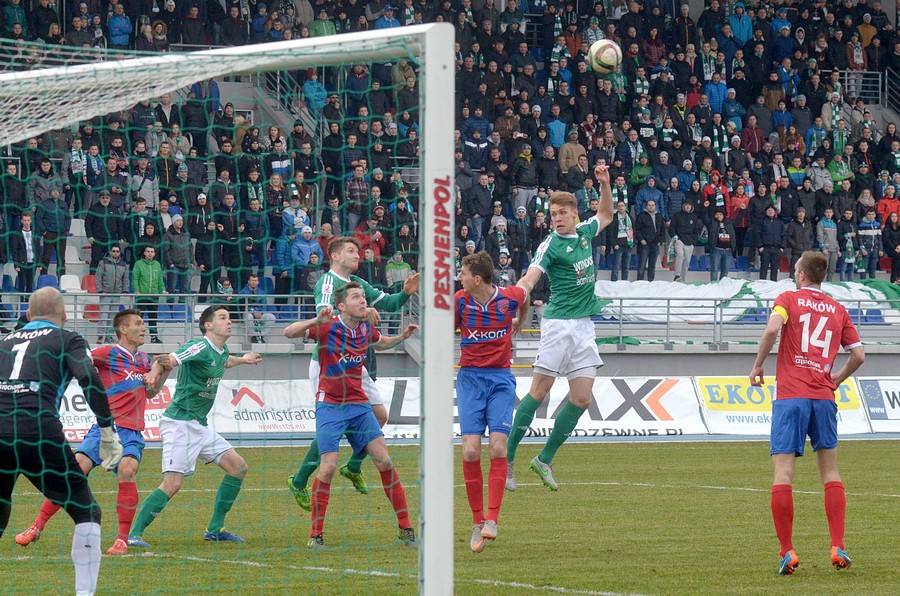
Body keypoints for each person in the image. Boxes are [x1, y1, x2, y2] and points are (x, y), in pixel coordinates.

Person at [14, 309, 168, 555]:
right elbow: (76, 359)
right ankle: (36, 526)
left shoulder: (143, 360)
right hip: (104, 429)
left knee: (127, 470)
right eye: (138, 323)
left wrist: (163, 372)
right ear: (123, 329)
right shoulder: (107, 353)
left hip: (131, 432)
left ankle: (122, 540)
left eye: (143, 323)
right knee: (73, 472)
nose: (143, 328)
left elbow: (151, 393)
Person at [0, 288, 123, 596]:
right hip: (38, 430)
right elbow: (89, 378)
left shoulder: (4, 342)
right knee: (86, 511)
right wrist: (107, 430)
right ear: (65, 314)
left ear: (27, 314)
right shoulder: (68, 339)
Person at [750, 251, 865, 575]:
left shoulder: (788, 299)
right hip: (823, 398)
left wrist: (758, 365)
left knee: (783, 473)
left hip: (791, 396)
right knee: (831, 473)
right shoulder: (838, 309)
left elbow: (772, 330)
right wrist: (835, 380)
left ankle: (787, 551)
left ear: (801, 275)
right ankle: (837, 544)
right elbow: (859, 355)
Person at [285, 237, 419, 509]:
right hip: (329, 363)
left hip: (355, 364)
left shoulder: (358, 283)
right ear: (335, 256)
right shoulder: (327, 283)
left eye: (358, 251)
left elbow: (390, 303)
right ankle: (299, 480)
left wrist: (405, 292)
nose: (358, 255)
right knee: (331, 427)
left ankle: (353, 465)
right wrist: (361, 311)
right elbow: (326, 316)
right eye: (351, 251)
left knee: (380, 416)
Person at [506, 164, 614, 491]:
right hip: (558, 325)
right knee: (539, 393)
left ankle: (544, 459)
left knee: (581, 399)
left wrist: (605, 183)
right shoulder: (550, 245)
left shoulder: (584, 232)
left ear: (574, 213)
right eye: (553, 214)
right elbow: (531, 276)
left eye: (562, 213)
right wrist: (518, 295)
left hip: (584, 326)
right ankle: (506, 460)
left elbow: (606, 214)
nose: (557, 218)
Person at [128, 306, 262, 547]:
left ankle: (215, 529)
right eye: (223, 317)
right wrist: (153, 372)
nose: (229, 321)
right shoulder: (199, 346)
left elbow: (225, 361)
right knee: (173, 483)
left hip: (198, 425)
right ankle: (132, 535)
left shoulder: (221, 350)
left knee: (238, 468)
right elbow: (167, 359)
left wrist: (244, 359)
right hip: (179, 423)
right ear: (208, 325)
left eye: (230, 318)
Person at [455, 251, 525, 553]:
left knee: (497, 447)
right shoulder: (460, 301)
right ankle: (477, 521)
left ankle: (492, 519)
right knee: (471, 451)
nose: (459, 277)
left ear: (477, 279)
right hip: (469, 379)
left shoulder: (508, 298)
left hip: (500, 379)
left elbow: (526, 291)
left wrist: (520, 321)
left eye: (462, 272)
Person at [132, 246, 167, 343]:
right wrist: (136, 290)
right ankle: (135, 337)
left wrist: (163, 290)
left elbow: (160, 279)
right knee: (139, 317)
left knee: (153, 317)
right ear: (144, 253)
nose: (150, 253)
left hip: (154, 296)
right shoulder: (138, 264)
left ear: (154, 254)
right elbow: (135, 278)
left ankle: (154, 337)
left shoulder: (157, 264)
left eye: (152, 251)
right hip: (142, 296)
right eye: (148, 251)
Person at [96, 244, 130, 343]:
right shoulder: (103, 262)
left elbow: (125, 279)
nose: (115, 253)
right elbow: (98, 276)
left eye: (117, 251)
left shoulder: (123, 264)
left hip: (116, 294)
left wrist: (125, 290)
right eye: (114, 251)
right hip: (106, 293)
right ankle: (100, 336)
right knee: (103, 315)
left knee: (113, 316)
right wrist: (100, 290)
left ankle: (109, 336)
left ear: (120, 253)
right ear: (110, 252)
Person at [239, 273, 276, 343]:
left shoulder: (261, 292)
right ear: (249, 282)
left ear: (258, 282)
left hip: (259, 313)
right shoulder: (243, 292)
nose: (254, 282)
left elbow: (264, 304)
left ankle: (261, 334)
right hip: (248, 312)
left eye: (255, 281)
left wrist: (261, 312)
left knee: (271, 317)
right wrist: (253, 312)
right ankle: (254, 336)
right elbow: (242, 306)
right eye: (252, 280)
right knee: (248, 316)